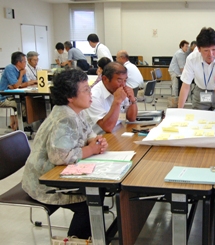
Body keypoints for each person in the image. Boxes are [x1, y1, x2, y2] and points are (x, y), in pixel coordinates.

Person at [22, 69, 108, 239]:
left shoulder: (77, 110)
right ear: (70, 96)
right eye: (85, 90)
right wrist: (91, 149)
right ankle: (76, 240)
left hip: (58, 175)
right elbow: (61, 157)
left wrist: (95, 141)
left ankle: (91, 236)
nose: (90, 93)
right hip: (45, 183)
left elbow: (88, 133)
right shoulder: (64, 117)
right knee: (88, 200)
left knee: (98, 191)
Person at [178, 27, 215, 113]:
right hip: (201, 91)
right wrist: (179, 111)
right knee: (198, 121)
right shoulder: (192, 59)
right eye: (206, 50)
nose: (211, 54)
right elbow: (185, 85)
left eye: (214, 50)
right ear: (199, 49)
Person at [86, 62, 138, 133]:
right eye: (119, 80)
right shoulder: (93, 96)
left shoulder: (119, 89)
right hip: (100, 136)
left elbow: (131, 118)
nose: (123, 85)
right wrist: (117, 101)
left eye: (125, 80)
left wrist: (133, 100)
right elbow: (107, 128)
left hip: (117, 129)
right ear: (105, 79)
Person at [0, 52, 35, 130]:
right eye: (25, 61)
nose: (26, 63)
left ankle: (18, 122)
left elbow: (25, 84)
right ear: (19, 62)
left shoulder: (22, 69)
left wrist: (18, 84)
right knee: (24, 107)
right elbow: (16, 85)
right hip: (4, 98)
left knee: (31, 102)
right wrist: (21, 75)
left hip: (14, 96)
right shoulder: (10, 68)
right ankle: (21, 127)